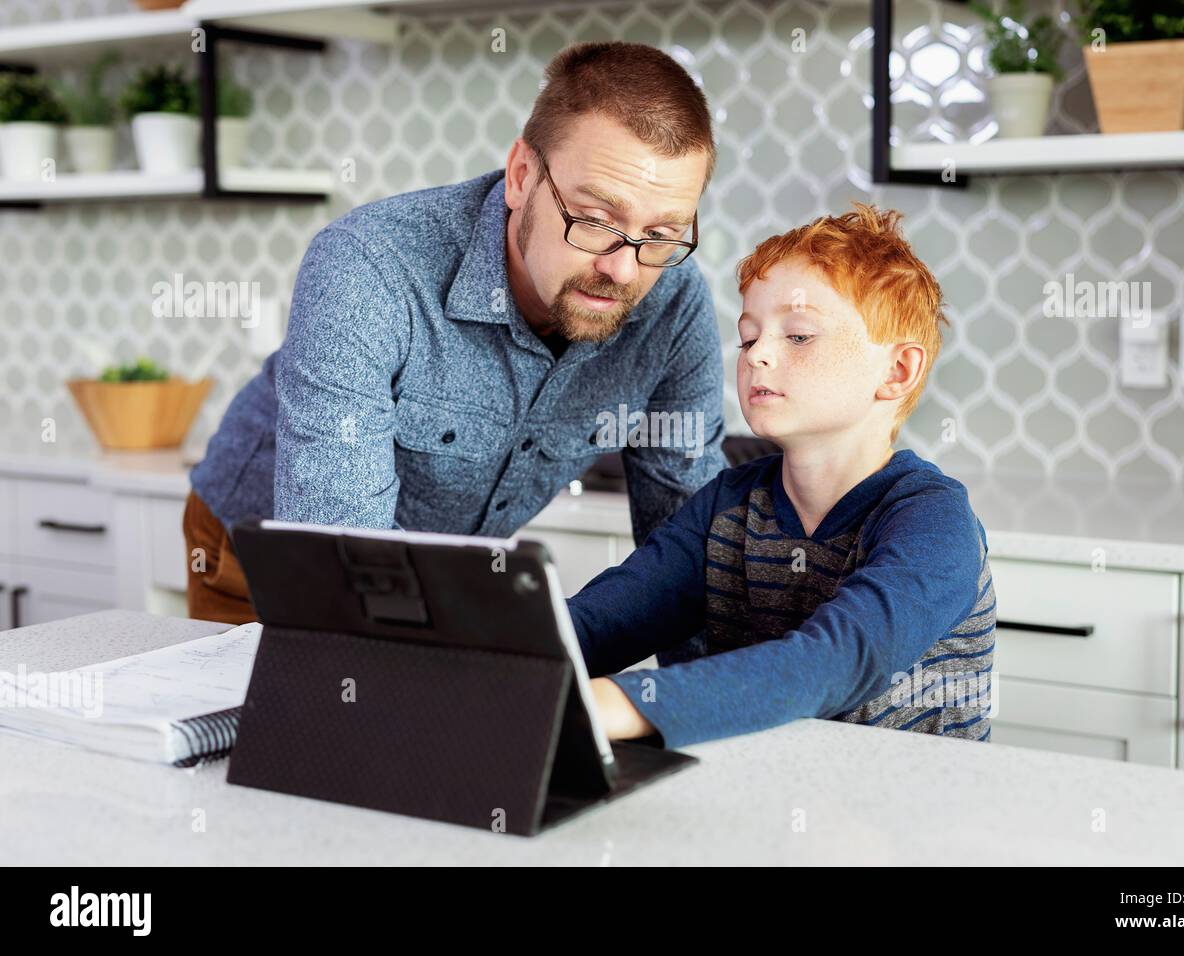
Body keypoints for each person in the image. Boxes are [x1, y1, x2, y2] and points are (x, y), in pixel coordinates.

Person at [183, 42, 727, 624]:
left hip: (441, 572)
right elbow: (336, 559)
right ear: (522, 176)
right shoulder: (369, 265)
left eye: (662, 234)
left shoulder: (673, 301)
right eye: (594, 221)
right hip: (260, 551)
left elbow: (685, 540)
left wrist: (711, 703)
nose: (624, 270)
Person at [574, 204, 997, 748]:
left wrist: (618, 703)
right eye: (749, 338)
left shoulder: (933, 522)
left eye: (798, 336)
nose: (758, 357)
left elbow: (832, 661)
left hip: (913, 819)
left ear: (897, 371)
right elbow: (605, 621)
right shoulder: (726, 505)